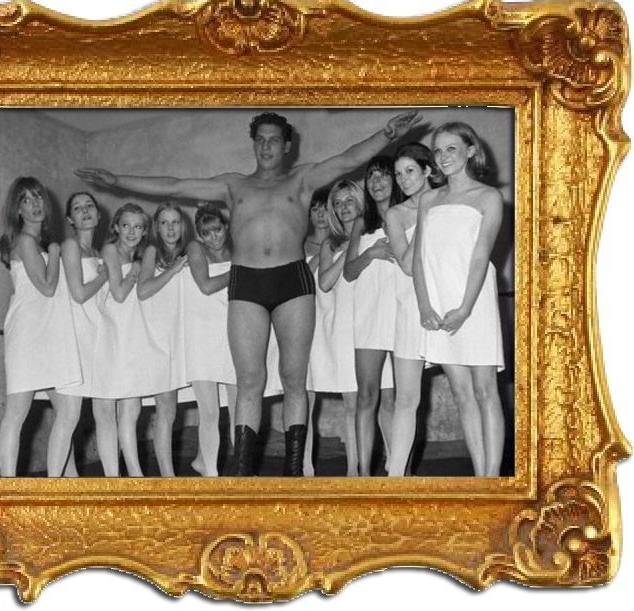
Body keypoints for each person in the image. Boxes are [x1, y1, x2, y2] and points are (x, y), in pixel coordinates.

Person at [76, 109, 420, 476]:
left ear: (286, 146)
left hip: (292, 281)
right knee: (249, 381)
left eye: (274, 139)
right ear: (254, 145)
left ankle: (293, 473)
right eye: (261, 140)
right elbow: (174, 185)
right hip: (247, 282)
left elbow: (349, 159)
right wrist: (117, 181)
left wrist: (386, 134)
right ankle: (242, 473)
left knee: (293, 379)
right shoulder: (233, 186)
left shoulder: (303, 179)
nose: (267, 146)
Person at [413, 122, 505, 476]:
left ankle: (492, 479)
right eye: (438, 150)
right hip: (437, 304)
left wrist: (465, 308)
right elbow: (419, 259)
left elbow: (481, 255)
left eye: (451, 148)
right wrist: (424, 305)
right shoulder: (428, 199)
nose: (443, 156)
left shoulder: (488, 197)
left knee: (485, 390)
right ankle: (479, 475)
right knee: (461, 392)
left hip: (474, 301)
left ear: (470, 150)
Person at [0, 177, 82, 477]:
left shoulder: (38, 243)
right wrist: (56, 253)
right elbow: (46, 286)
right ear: (17, 209)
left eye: (38, 197)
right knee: (16, 413)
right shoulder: (24, 240)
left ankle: (62, 481)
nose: (34, 204)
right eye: (26, 200)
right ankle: (7, 487)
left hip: (52, 334)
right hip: (28, 334)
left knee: (69, 410)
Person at [384, 143, 442, 477]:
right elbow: (407, 265)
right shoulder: (396, 214)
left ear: (428, 170)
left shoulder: (448, 201)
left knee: (470, 391)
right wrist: (424, 216)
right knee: (406, 399)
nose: (403, 179)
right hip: (410, 308)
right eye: (398, 174)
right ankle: (394, 479)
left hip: (446, 304)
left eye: (410, 171)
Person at [343, 156, 401, 475]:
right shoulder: (360, 224)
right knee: (367, 395)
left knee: (401, 397)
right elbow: (349, 272)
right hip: (369, 314)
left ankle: (400, 471)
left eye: (383, 175)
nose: (377, 182)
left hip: (401, 309)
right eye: (371, 176)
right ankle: (364, 475)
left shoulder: (406, 214)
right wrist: (371, 253)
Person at [90, 203, 153, 477]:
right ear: (116, 226)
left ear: (145, 231)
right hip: (108, 334)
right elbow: (118, 293)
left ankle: (135, 476)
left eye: (138, 227)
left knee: (132, 408)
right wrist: (136, 270)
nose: (131, 232)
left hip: (131, 333)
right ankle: (112, 479)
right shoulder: (110, 250)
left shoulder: (141, 256)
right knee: (105, 409)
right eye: (126, 225)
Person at [58, 192, 117, 475]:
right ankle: (51, 487)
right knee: (69, 416)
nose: (85, 211)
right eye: (77, 208)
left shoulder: (100, 253)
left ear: (99, 213)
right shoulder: (70, 246)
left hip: (99, 337)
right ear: (70, 219)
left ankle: (114, 482)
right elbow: (79, 294)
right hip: (74, 338)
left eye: (90, 206)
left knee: (106, 413)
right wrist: (104, 276)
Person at [311, 180, 362, 476]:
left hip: (371, 320)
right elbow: (325, 282)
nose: (343, 208)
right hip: (344, 326)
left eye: (349, 201)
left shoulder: (374, 234)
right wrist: (351, 248)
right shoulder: (330, 243)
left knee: (386, 400)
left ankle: (395, 468)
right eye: (338, 203)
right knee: (352, 401)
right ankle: (353, 470)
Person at [183, 204, 237, 476]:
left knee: (240, 410)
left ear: (226, 227)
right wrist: (240, 270)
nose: (213, 237)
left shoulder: (237, 252)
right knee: (210, 412)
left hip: (232, 334)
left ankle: (239, 470)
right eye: (206, 232)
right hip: (201, 337)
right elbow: (205, 286)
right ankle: (211, 475)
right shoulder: (195, 249)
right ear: (200, 235)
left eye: (217, 229)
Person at [137, 203, 189, 477]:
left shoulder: (188, 253)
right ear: (156, 227)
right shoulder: (152, 252)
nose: (170, 228)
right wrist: (173, 270)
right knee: (165, 410)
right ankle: (168, 478)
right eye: (165, 222)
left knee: (171, 411)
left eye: (175, 222)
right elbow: (143, 291)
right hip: (156, 339)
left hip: (179, 337)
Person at [302, 188, 332, 476]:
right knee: (306, 396)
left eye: (325, 207)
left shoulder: (344, 239)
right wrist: (319, 257)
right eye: (315, 208)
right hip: (309, 321)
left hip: (338, 320)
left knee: (353, 394)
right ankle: (305, 464)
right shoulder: (299, 245)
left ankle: (356, 468)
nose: (321, 214)